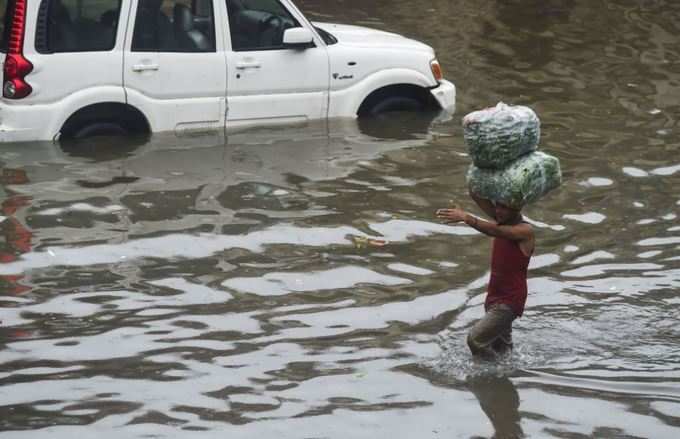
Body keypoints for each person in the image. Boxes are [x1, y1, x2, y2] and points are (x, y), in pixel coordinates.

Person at [436, 190, 534, 359]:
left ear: (517, 209)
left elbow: (495, 231)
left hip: (509, 301)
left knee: (475, 339)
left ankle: (493, 373)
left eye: (504, 208)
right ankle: (506, 373)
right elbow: (476, 194)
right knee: (502, 348)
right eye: (497, 207)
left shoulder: (524, 231)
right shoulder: (502, 220)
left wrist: (466, 218)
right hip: (494, 296)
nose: (498, 211)